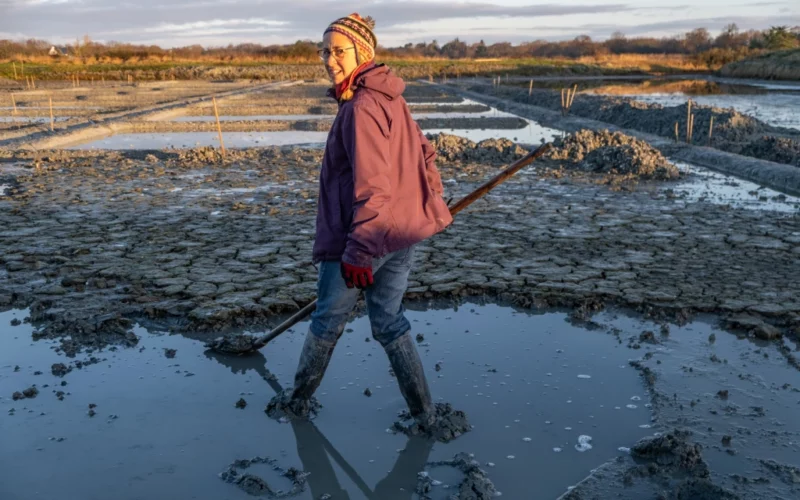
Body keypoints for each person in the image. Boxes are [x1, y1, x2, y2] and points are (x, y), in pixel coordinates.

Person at [269, 13, 453, 427]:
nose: (329, 59)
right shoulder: (389, 96)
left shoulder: (362, 107)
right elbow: (425, 154)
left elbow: (373, 187)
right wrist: (425, 202)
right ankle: (425, 414)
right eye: (324, 50)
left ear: (363, 53)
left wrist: (358, 252)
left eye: (338, 51)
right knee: (389, 321)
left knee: (326, 322)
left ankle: (296, 403)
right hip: (399, 235)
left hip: (363, 239)